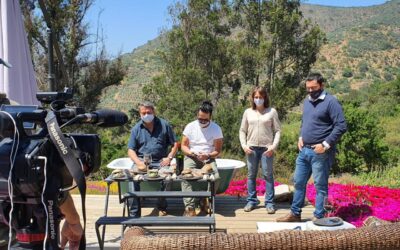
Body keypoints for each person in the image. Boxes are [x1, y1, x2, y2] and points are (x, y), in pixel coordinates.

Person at [277, 73, 347, 222]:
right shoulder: (307, 101)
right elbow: (305, 122)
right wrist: (300, 137)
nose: (310, 91)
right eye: (308, 88)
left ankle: (319, 216)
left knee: (320, 186)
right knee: (298, 182)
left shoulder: (331, 102)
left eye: (313, 88)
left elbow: (341, 126)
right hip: (304, 150)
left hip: (320, 152)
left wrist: (325, 145)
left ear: (321, 86)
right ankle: (295, 214)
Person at [127, 101, 178, 217]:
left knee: (168, 179)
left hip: (161, 161)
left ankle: (161, 205)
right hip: (142, 161)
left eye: (148, 112)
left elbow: (175, 144)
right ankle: (134, 215)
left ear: (153, 112)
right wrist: (139, 163)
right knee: (132, 179)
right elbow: (130, 150)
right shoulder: (136, 129)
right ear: (140, 114)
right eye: (143, 113)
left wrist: (169, 158)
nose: (146, 115)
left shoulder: (164, 125)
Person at [239, 86, 281, 214]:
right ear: (252, 98)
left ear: (265, 98)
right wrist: (244, 146)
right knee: (251, 175)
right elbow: (242, 130)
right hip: (251, 148)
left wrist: (273, 147)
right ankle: (251, 200)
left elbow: (278, 130)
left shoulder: (272, 112)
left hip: (266, 149)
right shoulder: (247, 112)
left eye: (260, 97)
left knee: (268, 175)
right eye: (256, 97)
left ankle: (269, 203)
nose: (258, 99)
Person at [180, 101, 223, 216]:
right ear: (197, 116)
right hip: (192, 156)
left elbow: (217, 151)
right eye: (200, 119)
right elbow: (183, 145)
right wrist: (191, 152)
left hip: (208, 158)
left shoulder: (216, 129)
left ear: (210, 117)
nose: (202, 121)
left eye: (205, 119)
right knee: (185, 177)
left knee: (216, 177)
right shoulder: (190, 126)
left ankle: (206, 200)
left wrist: (208, 155)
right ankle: (190, 208)